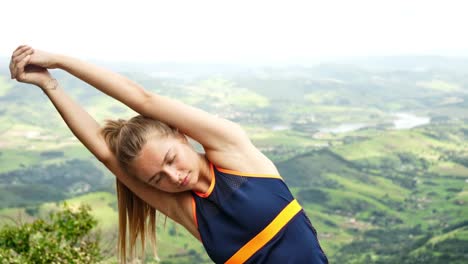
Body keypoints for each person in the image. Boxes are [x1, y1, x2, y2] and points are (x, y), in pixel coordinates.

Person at [9, 45, 328, 264]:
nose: (174, 177)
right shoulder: (184, 208)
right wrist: (48, 85)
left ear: (181, 134)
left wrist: (60, 62)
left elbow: (143, 100)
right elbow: (107, 155)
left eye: (171, 159)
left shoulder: (235, 154)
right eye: (157, 178)